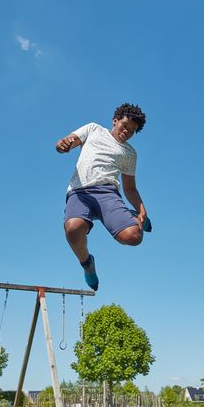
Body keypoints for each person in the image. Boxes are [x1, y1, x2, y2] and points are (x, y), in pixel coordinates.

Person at [55, 103, 151, 291]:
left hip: (107, 194)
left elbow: (130, 188)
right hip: (79, 191)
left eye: (132, 131)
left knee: (134, 237)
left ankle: (128, 216)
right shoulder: (94, 129)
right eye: (125, 125)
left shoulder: (130, 153)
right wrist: (62, 145)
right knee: (73, 229)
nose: (126, 131)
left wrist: (142, 208)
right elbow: (68, 141)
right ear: (115, 120)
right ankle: (87, 264)